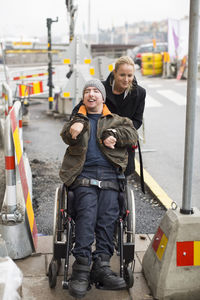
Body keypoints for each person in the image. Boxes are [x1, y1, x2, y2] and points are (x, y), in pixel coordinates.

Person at [59, 79, 138, 298]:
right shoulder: (77, 119)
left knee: (108, 217)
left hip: (110, 176)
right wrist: (73, 131)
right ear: (83, 98)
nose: (91, 94)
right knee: (87, 215)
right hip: (83, 175)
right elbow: (65, 135)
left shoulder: (117, 120)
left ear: (103, 97)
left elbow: (133, 135)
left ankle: (102, 265)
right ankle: (81, 269)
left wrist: (115, 136)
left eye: (95, 91)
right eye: (87, 91)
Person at [71, 56, 146, 177]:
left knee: (121, 181)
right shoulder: (100, 88)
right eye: (122, 75)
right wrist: (78, 121)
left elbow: (137, 121)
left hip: (122, 142)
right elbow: (80, 108)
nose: (126, 80)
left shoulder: (139, 93)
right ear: (114, 73)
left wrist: (117, 133)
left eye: (130, 75)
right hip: (97, 141)